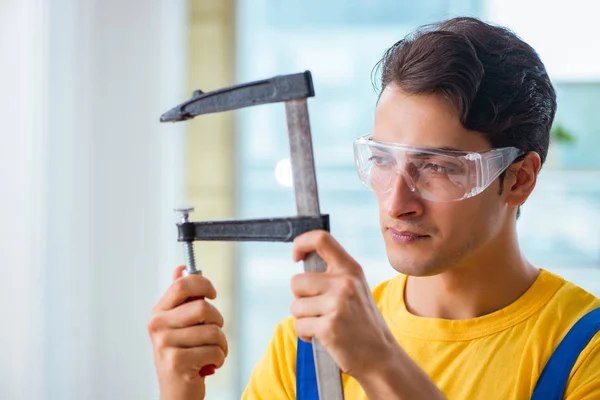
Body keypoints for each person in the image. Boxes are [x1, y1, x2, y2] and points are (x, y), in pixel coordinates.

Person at [148, 17, 600, 399]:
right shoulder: (305, 348)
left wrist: (379, 363)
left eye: (438, 167)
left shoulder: (584, 353)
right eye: (382, 161)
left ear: (519, 179)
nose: (397, 202)